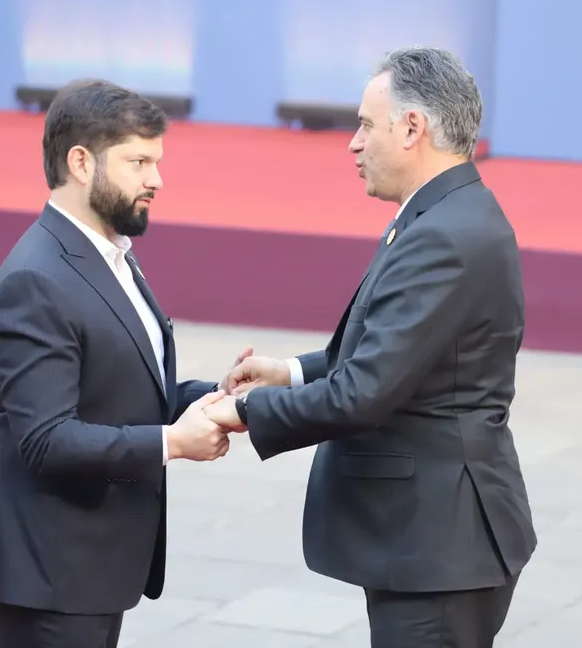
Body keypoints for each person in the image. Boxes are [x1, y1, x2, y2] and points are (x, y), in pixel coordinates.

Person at [204, 47, 537, 648]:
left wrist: (242, 412)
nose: (352, 143)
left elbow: (365, 392)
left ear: (413, 128)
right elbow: (392, 353)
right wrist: (287, 373)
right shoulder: (441, 215)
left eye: (364, 124)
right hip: (431, 544)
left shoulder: (445, 235)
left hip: (438, 550)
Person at [0, 78, 249, 648]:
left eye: (157, 160)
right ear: (80, 162)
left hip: (89, 564)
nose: (157, 180)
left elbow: (121, 388)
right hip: (48, 573)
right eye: (138, 161)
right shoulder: (35, 280)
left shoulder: (112, 253)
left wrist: (216, 398)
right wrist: (171, 442)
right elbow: (45, 439)